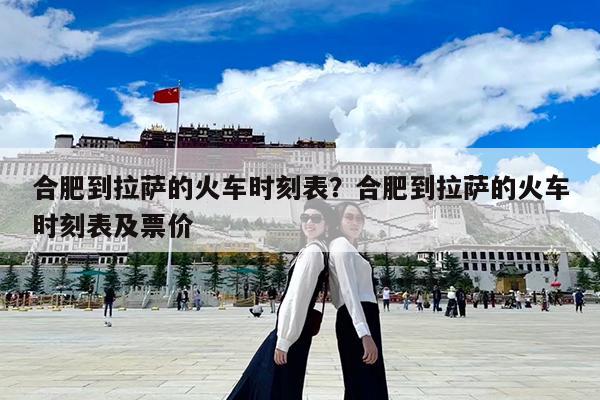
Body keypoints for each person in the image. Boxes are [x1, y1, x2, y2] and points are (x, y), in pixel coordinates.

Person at [228, 198, 333, 400]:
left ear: (326, 224)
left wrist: (284, 340)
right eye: (305, 217)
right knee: (280, 387)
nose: (309, 222)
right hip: (296, 333)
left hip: (290, 334)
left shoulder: (313, 252)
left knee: (265, 386)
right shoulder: (316, 250)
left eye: (316, 218)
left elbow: (297, 299)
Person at [327, 202, 388, 400]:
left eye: (359, 218)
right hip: (357, 319)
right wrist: (364, 334)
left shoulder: (347, 247)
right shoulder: (341, 245)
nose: (355, 222)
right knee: (365, 385)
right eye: (349, 217)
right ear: (338, 221)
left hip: (360, 317)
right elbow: (348, 291)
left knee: (364, 384)